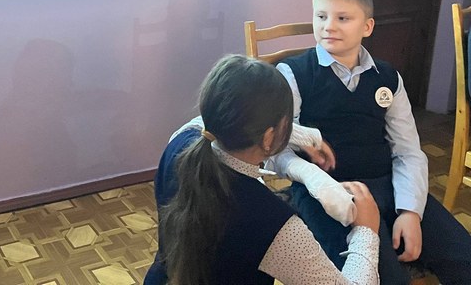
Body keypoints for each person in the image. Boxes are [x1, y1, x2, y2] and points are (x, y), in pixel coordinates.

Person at [271, 0, 471, 284]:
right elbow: (276, 150)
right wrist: (317, 180)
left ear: (367, 26)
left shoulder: (388, 77)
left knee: (463, 255)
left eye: (343, 18)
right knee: (383, 276)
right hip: (327, 195)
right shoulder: (293, 73)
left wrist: (410, 212)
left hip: (388, 185)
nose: (329, 26)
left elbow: (408, 150)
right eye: (321, 16)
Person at [144, 54, 381, 285]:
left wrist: (301, 138)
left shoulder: (181, 144)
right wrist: (366, 232)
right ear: (268, 138)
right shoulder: (273, 222)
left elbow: (211, 118)